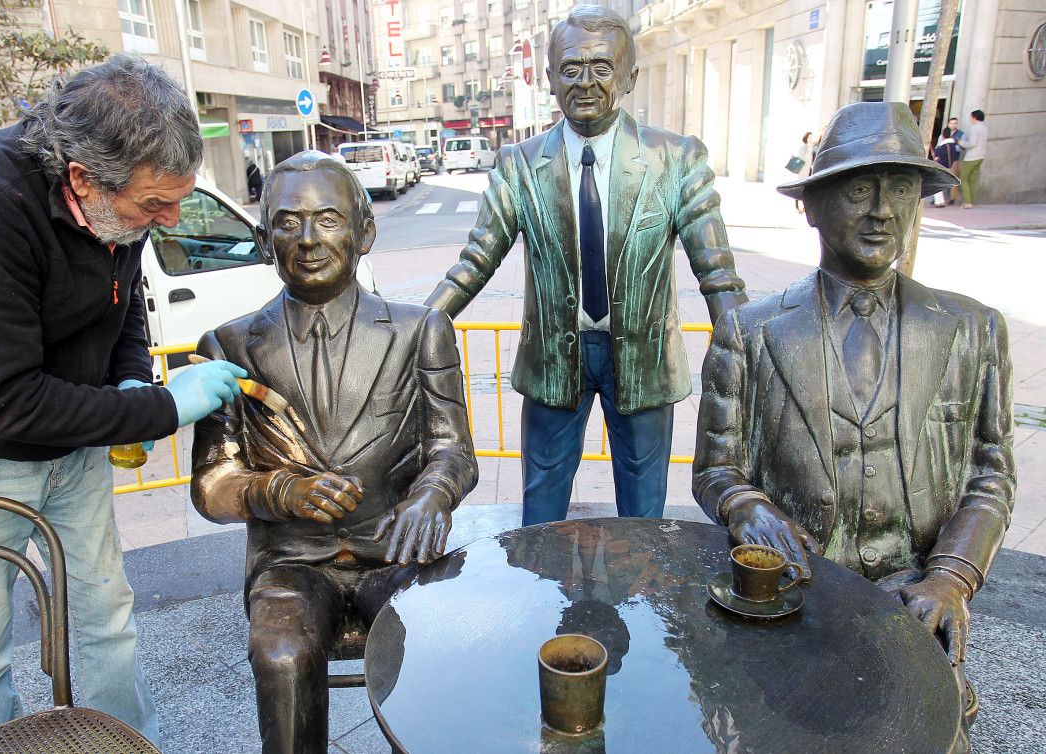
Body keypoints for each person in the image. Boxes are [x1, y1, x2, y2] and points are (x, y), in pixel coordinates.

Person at [0, 53, 250, 746]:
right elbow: (5, 402)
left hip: (69, 449)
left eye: (179, 199)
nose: (168, 220)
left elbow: (124, 308)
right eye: (153, 204)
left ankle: (126, 745)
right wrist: (163, 407)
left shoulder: (120, 205)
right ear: (81, 176)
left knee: (104, 619)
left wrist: (131, 377)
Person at [693, 101, 1014, 739]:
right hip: (792, 596)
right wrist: (745, 507)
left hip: (913, 596)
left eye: (901, 189)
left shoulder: (974, 330)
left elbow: (991, 475)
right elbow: (716, 468)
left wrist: (950, 579)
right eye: (860, 190)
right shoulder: (749, 333)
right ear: (811, 206)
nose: (883, 211)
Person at [190, 151, 478, 753]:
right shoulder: (230, 344)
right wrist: (279, 490)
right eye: (288, 222)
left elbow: (453, 450)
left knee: (433, 637)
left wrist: (431, 497)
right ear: (266, 240)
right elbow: (213, 485)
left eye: (328, 219)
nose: (308, 239)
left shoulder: (420, 330)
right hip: (291, 561)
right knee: (282, 650)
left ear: (364, 231)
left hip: (395, 550)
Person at [424, 5, 747, 526]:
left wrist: (746, 342)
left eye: (602, 67)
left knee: (645, 515)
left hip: (642, 359)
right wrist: (418, 326)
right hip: (554, 358)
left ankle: (639, 600)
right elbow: (476, 258)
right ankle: (537, 592)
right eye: (571, 68)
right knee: (542, 502)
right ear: (550, 78)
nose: (586, 82)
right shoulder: (520, 164)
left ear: (629, 76)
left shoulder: (677, 158)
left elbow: (717, 271)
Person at [958, 110, 988, 208]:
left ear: (974, 117)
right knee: (973, 179)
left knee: (963, 178)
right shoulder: (984, 127)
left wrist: (961, 143)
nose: (970, 119)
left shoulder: (975, 128)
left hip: (971, 157)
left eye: (971, 117)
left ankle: (967, 201)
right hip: (980, 156)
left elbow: (972, 143)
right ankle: (971, 200)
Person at [932, 127, 960, 207]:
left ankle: (939, 202)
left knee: (937, 184)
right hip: (952, 167)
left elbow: (937, 157)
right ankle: (951, 199)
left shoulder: (941, 147)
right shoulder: (954, 145)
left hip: (942, 167)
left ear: (943, 136)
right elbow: (956, 156)